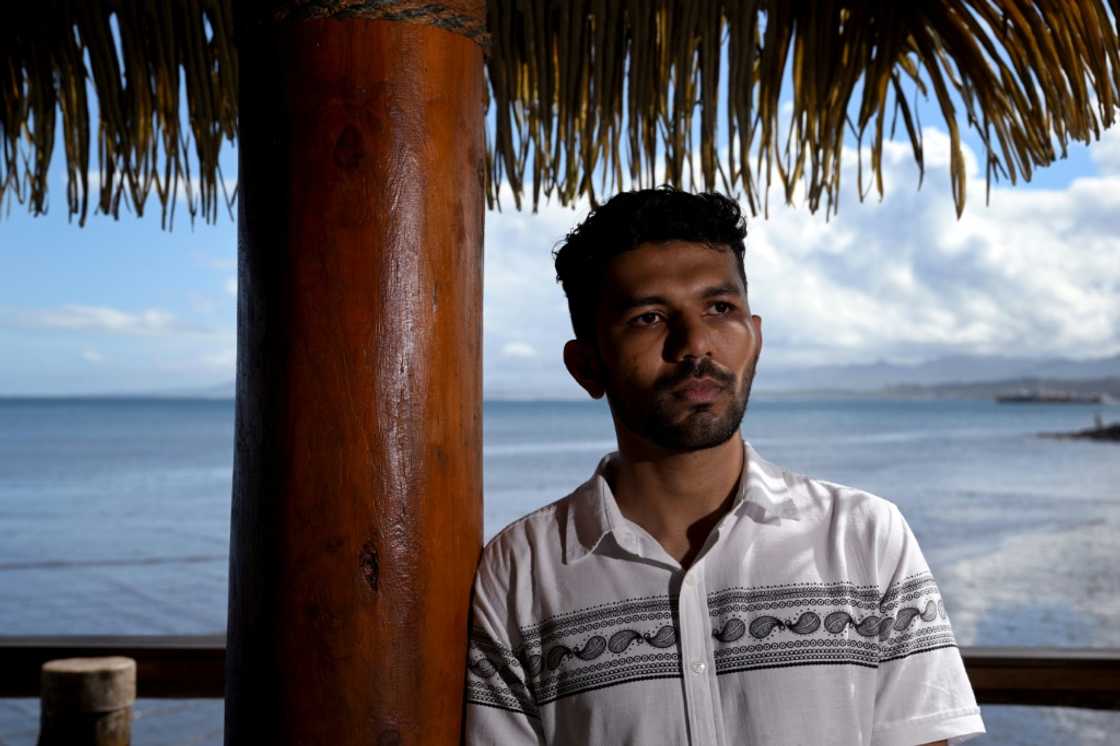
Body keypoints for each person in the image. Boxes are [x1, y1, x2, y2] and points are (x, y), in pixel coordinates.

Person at [464, 186, 986, 745]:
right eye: (648, 317)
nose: (696, 344)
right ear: (587, 365)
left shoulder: (865, 538)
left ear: (754, 338)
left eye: (720, 309)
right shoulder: (522, 572)